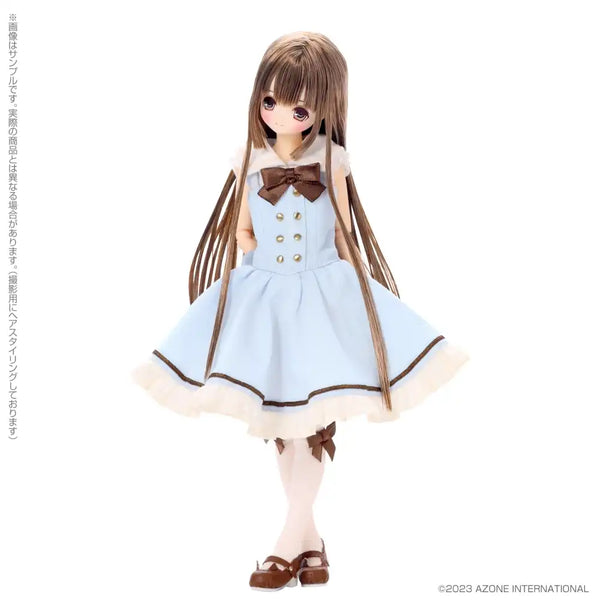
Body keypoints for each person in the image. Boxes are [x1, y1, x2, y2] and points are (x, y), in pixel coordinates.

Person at [131, 31, 469, 591]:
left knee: (312, 424)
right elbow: (242, 228)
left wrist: (359, 292)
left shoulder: (330, 160)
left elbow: (342, 233)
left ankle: (288, 543)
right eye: (269, 101)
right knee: (284, 424)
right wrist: (255, 260)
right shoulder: (250, 160)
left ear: (323, 108)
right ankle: (309, 543)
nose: (280, 114)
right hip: (267, 296)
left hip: (323, 294)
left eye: (298, 107)